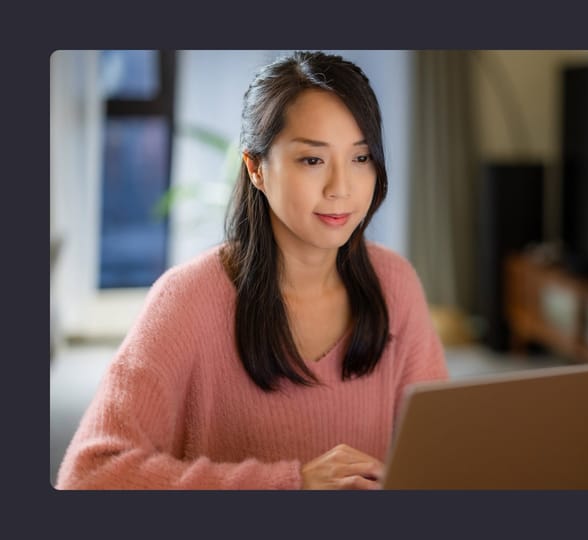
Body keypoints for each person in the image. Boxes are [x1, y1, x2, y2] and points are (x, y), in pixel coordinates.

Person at [55, 51, 449, 490]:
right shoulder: (187, 299)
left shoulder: (395, 284)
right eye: (312, 160)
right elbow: (88, 476)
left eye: (360, 159)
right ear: (256, 168)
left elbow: (441, 455)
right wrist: (291, 484)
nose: (341, 187)